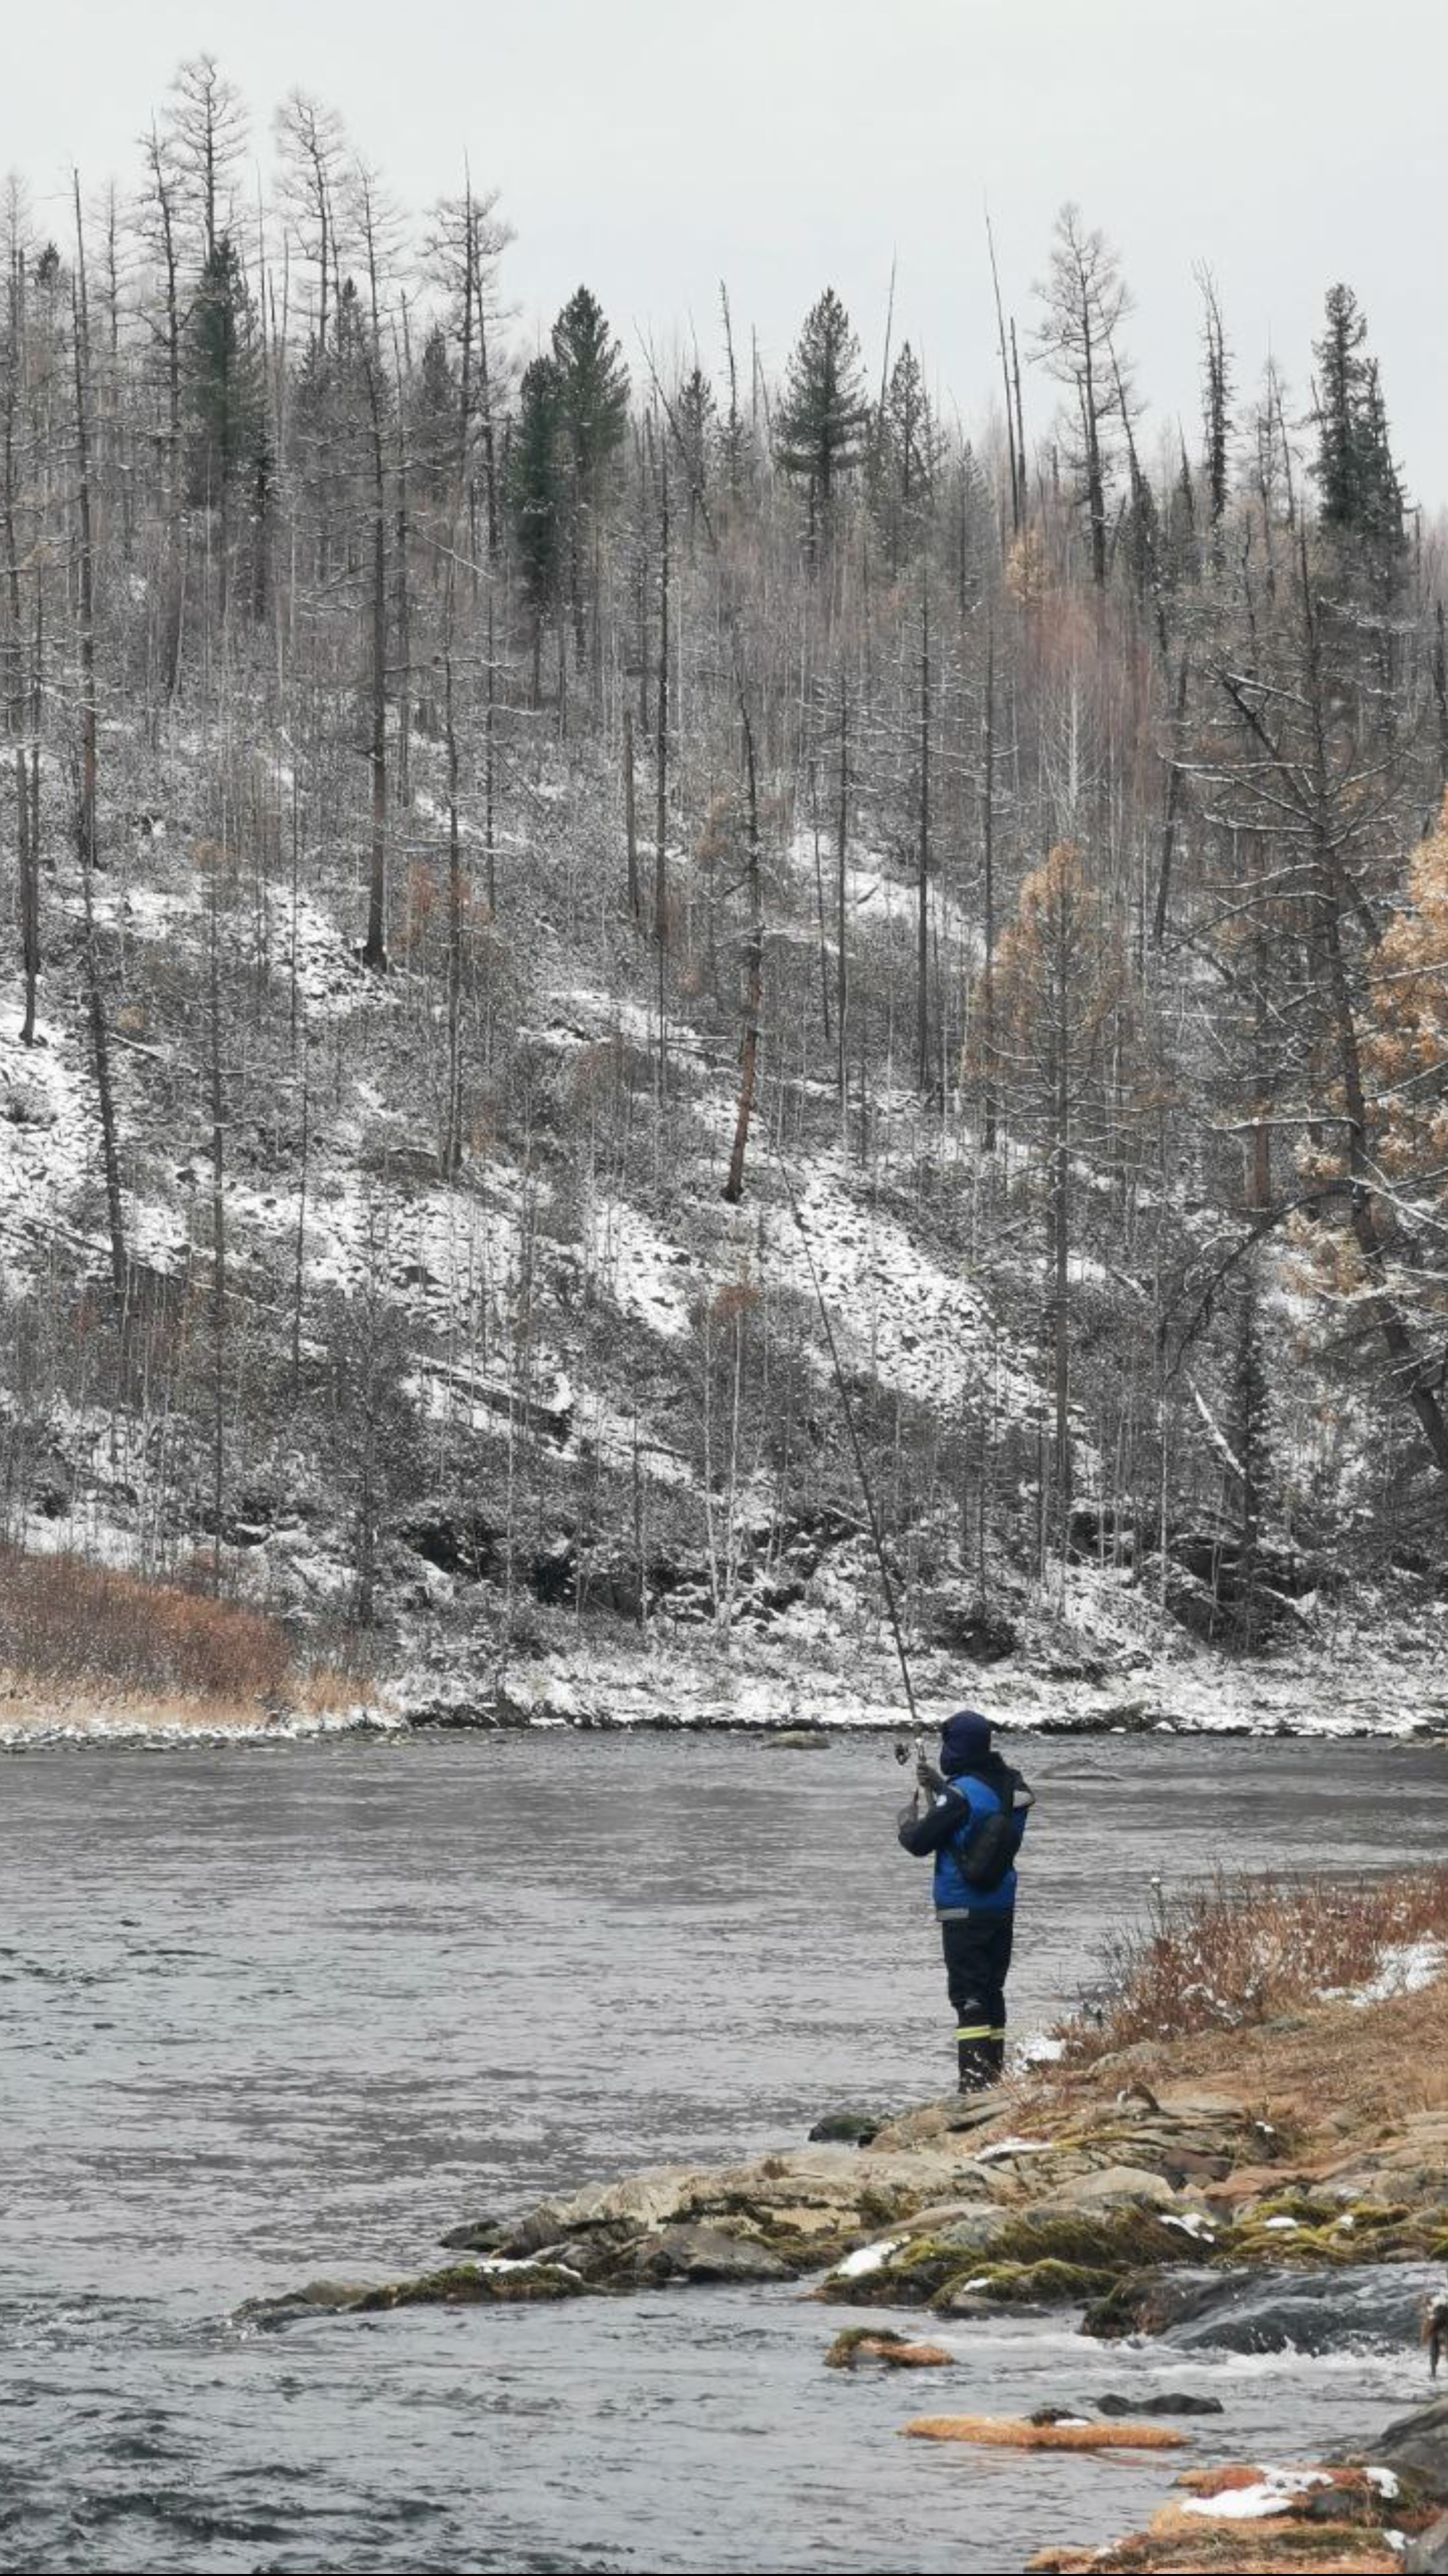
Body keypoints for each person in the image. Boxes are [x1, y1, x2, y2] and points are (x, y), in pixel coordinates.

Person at [897, 1708, 1035, 2092]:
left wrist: (906, 1821)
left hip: (962, 1909)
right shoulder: (1011, 1785)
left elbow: (919, 1842)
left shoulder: (959, 1795)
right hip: (1001, 1907)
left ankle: (972, 2088)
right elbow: (979, 1813)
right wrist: (942, 1787)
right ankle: (993, 2082)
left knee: (968, 1997)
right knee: (992, 1992)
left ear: (956, 1747)